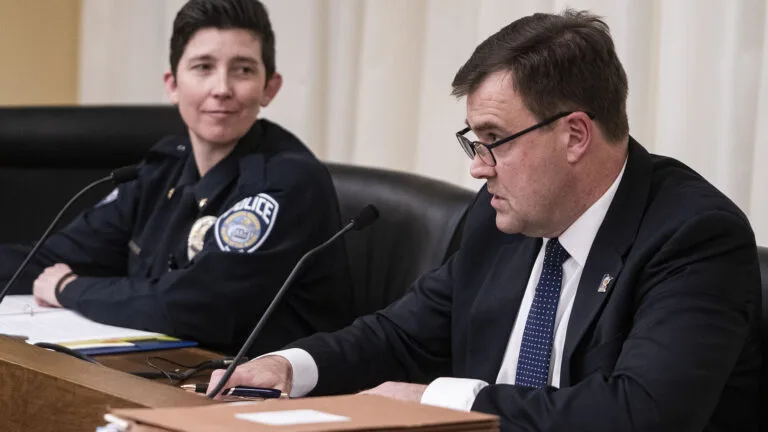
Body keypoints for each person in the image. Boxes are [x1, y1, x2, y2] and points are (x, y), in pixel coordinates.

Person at [209, 9, 762, 431]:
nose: (478, 167)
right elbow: (403, 335)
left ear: (575, 135)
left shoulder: (693, 237)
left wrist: (441, 400)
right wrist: (290, 365)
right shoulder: (501, 216)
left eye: (494, 139)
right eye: (474, 141)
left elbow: (641, 413)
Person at [0, 0, 352, 356]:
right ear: (172, 85)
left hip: (257, 381)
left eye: (243, 70)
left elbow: (197, 304)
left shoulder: (287, 181)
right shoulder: (162, 168)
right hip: (165, 367)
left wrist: (69, 289)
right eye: (203, 67)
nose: (222, 88)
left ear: (269, 88)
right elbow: (51, 258)